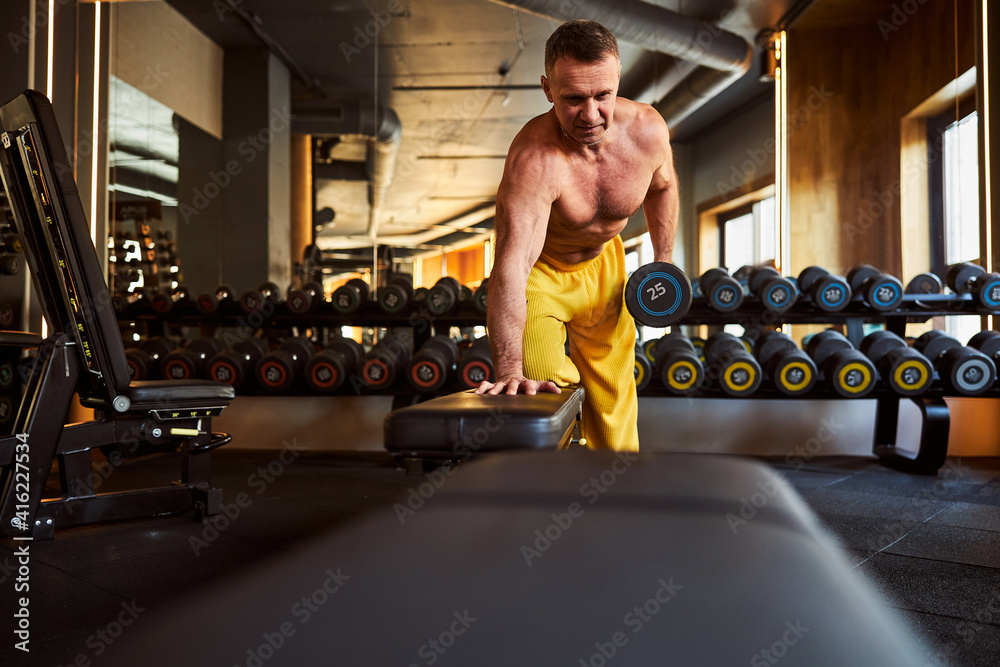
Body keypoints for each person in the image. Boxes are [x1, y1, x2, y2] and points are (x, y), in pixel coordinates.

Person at [475, 19, 679, 453]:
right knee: (542, 385)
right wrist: (508, 370)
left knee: (613, 395)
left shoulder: (647, 131)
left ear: (617, 80)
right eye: (573, 99)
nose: (589, 115)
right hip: (541, 272)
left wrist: (664, 262)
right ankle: (556, 495)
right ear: (548, 89)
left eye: (602, 95)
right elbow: (511, 269)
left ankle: (616, 497)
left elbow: (663, 188)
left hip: (605, 265)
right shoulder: (534, 159)